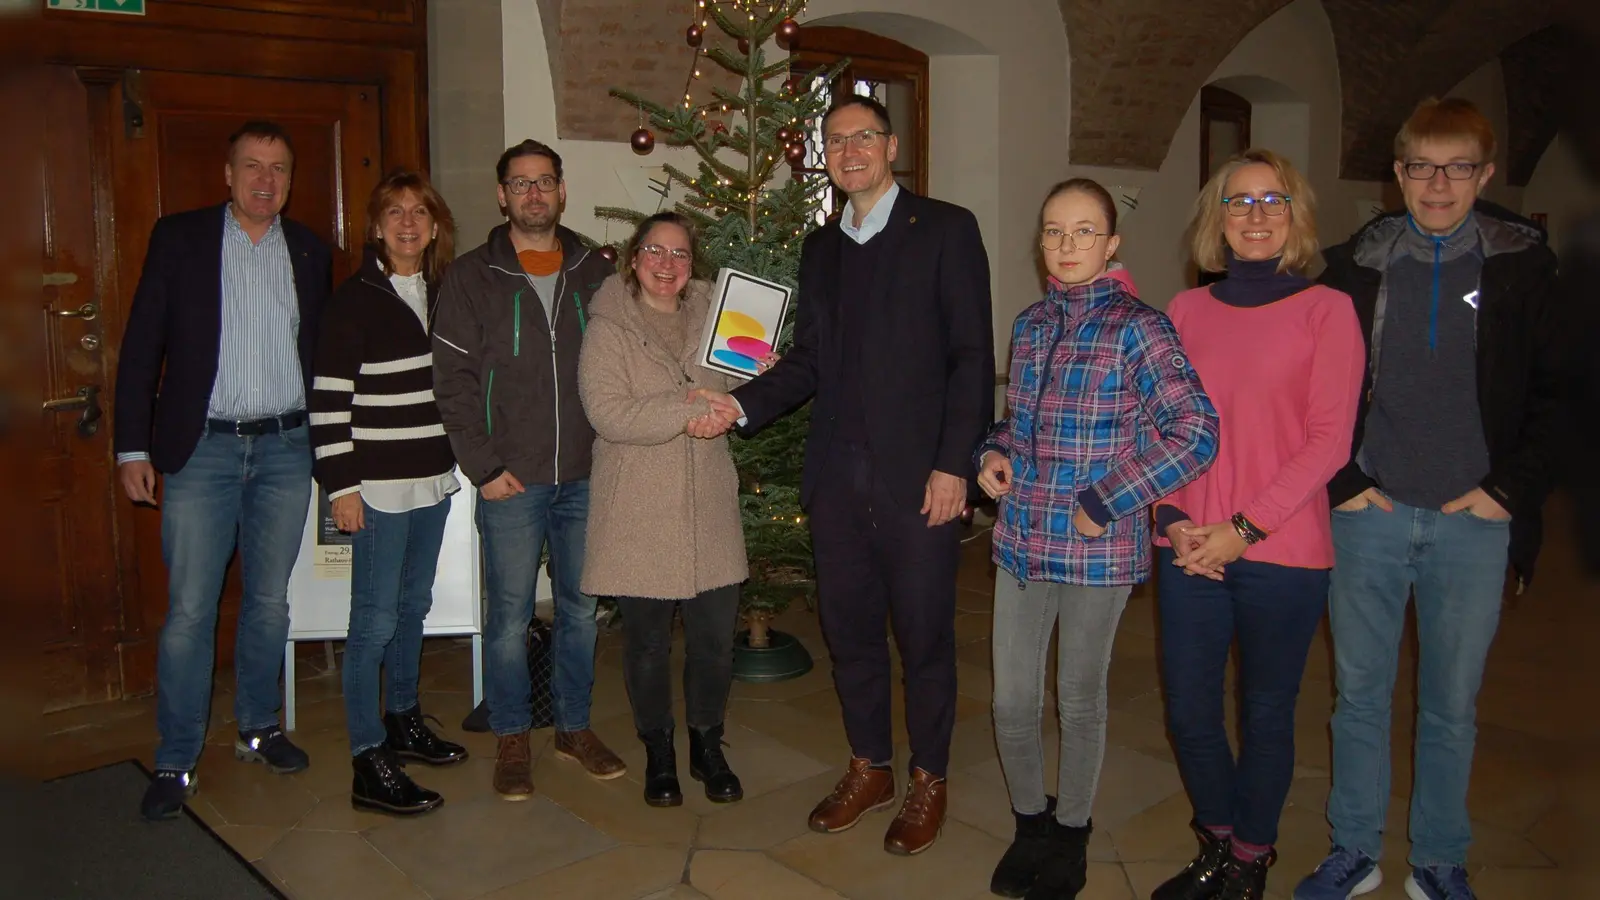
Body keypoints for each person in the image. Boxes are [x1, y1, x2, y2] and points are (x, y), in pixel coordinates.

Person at [695, 94, 994, 856]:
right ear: (824, 154)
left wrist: (953, 465)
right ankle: (871, 766)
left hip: (918, 479)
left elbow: (970, 358)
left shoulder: (947, 230)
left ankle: (930, 777)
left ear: (891, 147)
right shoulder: (822, 247)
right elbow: (812, 361)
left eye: (864, 136)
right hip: (837, 477)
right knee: (851, 634)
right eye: (836, 139)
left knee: (923, 639)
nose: (850, 148)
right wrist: (738, 408)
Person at [1294, 98, 1563, 900]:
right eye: (1420, 166)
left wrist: (1508, 490)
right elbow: (1317, 387)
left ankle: (1440, 858)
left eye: (1456, 168)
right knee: (1360, 699)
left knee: (1451, 706)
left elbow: (1562, 393)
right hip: (1371, 517)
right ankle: (1354, 848)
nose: (1437, 184)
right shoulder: (1355, 267)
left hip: (1472, 523)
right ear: (1399, 173)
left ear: (1483, 174)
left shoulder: (1524, 269)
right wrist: (1342, 481)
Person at [975, 179, 1219, 900]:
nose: (1067, 245)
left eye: (1085, 231)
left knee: (1079, 699)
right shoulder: (1030, 325)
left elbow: (1196, 430)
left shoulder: (1139, 328)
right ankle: (1030, 824)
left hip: (1096, 546)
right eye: (1055, 231)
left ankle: (1072, 831)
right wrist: (991, 455)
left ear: (1111, 244)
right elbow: (1015, 424)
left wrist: (1109, 499)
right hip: (1022, 540)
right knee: (1013, 702)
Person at [1150, 149, 1364, 900]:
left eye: (1273, 201)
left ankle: (1250, 854)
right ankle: (1214, 837)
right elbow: (1159, 431)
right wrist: (1174, 520)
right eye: (1240, 201)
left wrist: (1244, 528)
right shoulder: (1184, 312)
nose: (1256, 214)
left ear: (1297, 217)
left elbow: (1329, 441)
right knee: (1189, 706)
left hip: (1284, 548)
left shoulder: (1326, 310)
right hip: (1189, 546)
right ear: (1218, 218)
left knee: (1266, 709)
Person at [114, 121, 332, 820]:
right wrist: (132, 447)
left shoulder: (309, 250)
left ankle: (259, 726)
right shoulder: (180, 239)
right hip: (202, 450)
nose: (266, 180)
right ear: (228, 174)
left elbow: (323, 356)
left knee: (269, 601)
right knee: (189, 611)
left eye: (279, 169)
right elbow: (142, 345)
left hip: (284, 449)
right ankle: (176, 758)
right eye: (252, 166)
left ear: (291, 181)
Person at [432, 139, 623, 800]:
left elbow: (633, 355)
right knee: (509, 616)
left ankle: (573, 728)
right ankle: (513, 734)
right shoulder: (469, 276)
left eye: (545, 182)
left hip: (588, 473)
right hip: (510, 478)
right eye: (521, 183)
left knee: (579, 610)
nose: (534, 194)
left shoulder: (597, 270)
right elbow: (452, 382)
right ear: (501, 195)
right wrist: (482, 466)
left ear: (561, 190)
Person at [576, 212, 748, 809]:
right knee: (646, 643)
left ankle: (707, 743)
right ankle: (658, 750)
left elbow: (738, 385)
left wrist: (751, 380)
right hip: (638, 508)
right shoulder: (607, 327)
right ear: (633, 258)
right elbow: (610, 414)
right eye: (655, 250)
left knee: (713, 641)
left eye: (679, 253)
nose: (667, 264)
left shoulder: (718, 314)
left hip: (709, 504)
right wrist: (689, 404)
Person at [308, 170, 466, 816]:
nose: (408, 223)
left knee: (413, 604)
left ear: (434, 227)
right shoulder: (355, 299)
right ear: (375, 227)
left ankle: (402, 717)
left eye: (420, 213)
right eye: (394, 213)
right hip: (374, 485)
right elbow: (327, 403)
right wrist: (341, 488)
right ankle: (367, 757)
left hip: (431, 478)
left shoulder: (443, 292)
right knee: (372, 619)